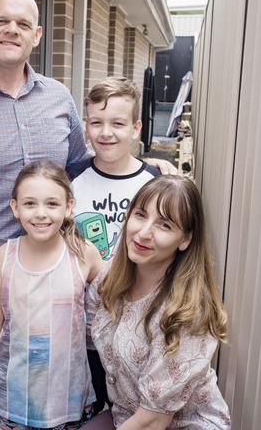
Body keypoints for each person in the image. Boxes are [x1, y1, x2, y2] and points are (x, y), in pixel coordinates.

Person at [0, 0, 174, 429]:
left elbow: (83, 166)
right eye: (1, 20)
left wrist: (145, 165)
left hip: (54, 262)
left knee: (42, 389)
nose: (12, 30)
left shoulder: (58, 98)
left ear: (37, 35)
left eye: (23, 24)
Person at [85, 175, 231, 429]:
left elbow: (152, 421)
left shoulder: (187, 313)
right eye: (140, 215)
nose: (143, 233)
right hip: (126, 416)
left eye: (164, 225)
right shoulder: (110, 279)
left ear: (185, 239)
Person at [0, 161, 102, 429]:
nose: (41, 214)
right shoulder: (4, 256)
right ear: (15, 208)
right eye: (30, 203)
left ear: (68, 207)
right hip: (13, 400)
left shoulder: (83, 253)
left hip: (69, 400)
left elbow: (118, 298)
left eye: (52, 204)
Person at [72, 77, 160, 410]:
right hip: (83, 331)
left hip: (136, 330)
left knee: (132, 408)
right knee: (89, 409)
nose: (106, 132)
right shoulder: (71, 180)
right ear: (86, 125)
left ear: (136, 128)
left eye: (118, 123)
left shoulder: (155, 183)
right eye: (97, 122)